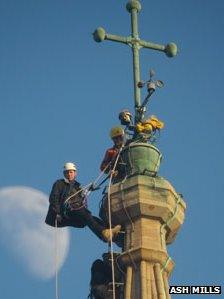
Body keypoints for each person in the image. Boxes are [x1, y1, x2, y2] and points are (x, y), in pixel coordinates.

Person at [45, 162, 121, 242]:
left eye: (71, 172)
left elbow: (80, 198)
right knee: (86, 215)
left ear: (75, 173)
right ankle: (105, 233)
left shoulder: (77, 187)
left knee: (93, 219)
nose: (69, 174)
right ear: (64, 174)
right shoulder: (59, 184)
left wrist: (88, 190)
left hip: (73, 213)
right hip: (62, 214)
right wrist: (57, 213)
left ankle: (109, 232)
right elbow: (54, 198)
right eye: (67, 172)